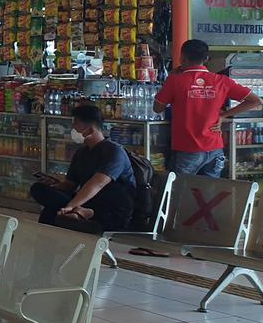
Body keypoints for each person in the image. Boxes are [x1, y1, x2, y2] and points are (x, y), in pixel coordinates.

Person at [155, 38, 262, 177]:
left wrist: (170, 79)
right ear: (206, 59)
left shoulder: (175, 80)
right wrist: (223, 116)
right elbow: (255, 101)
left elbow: (157, 108)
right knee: (209, 196)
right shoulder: (221, 81)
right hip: (215, 150)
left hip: (187, 150)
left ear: (182, 58)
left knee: (181, 194)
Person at [30, 104, 137, 233]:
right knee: (39, 190)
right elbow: (70, 185)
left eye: (76, 125)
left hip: (113, 208)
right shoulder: (81, 153)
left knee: (54, 210)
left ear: (90, 130)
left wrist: (71, 205)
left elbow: (97, 184)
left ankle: (84, 212)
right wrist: (55, 185)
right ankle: (80, 212)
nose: (72, 129)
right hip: (87, 201)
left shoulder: (114, 151)